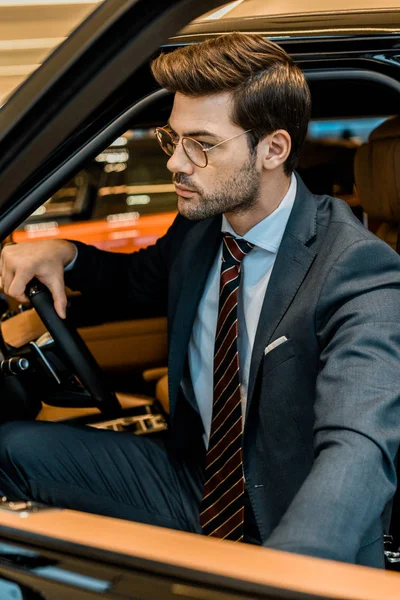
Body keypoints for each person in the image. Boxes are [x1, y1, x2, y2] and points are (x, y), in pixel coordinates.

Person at [0, 33, 399, 568]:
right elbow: (136, 281)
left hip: (291, 518)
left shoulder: (357, 266)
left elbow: (358, 445)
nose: (175, 164)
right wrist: (65, 252)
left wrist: (291, 572)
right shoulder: (201, 227)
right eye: (174, 138)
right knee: (10, 449)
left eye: (202, 144)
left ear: (273, 149)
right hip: (200, 481)